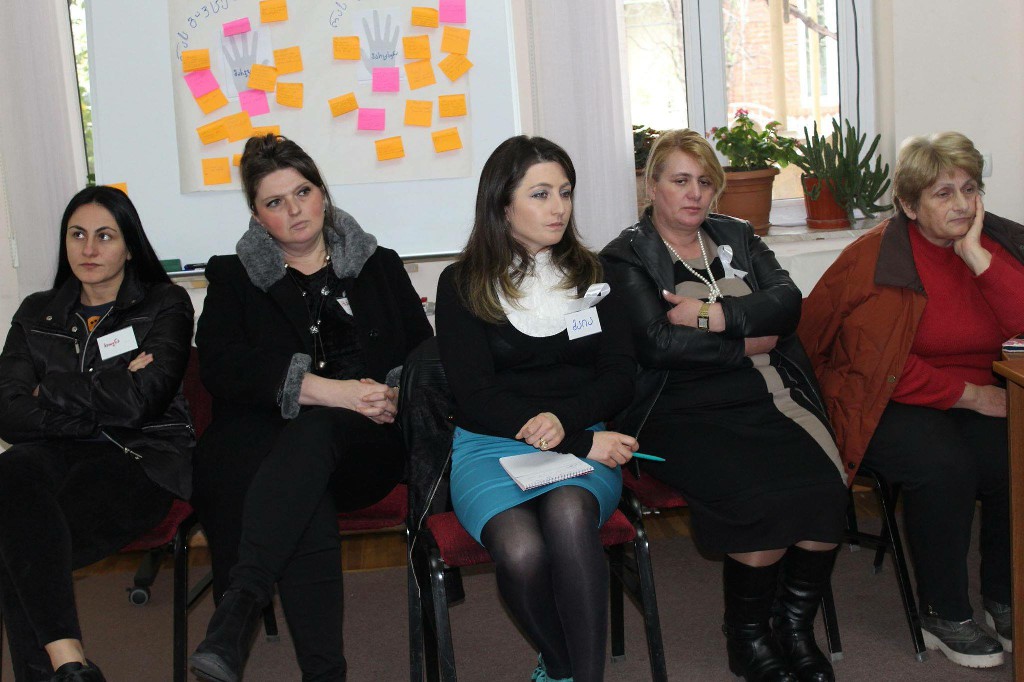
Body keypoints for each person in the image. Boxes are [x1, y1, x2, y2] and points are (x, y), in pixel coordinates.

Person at [600, 129, 848, 682]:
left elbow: (786, 304)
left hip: (765, 394)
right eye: (680, 180)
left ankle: (793, 627)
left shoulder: (737, 234)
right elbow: (657, 345)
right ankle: (748, 636)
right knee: (757, 494)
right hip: (674, 409)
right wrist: (747, 341)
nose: (695, 193)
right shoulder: (624, 256)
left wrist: (712, 317)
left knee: (825, 489)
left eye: (705, 182)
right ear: (652, 187)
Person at [189, 134, 432, 682]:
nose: (295, 210)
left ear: (323, 193)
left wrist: (392, 393)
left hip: (367, 445)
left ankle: (239, 606)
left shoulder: (379, 265)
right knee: (303, 487)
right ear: (257, 215)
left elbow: (424, 354)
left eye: (303, 192)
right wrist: (330, 391)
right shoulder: (233, 276)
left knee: (314, 444)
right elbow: (221, 367)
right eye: (275, 202)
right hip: (267, 445)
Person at [798, 131, 1024, 669]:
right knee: (944, 466)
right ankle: (944, 612)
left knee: (1013, 455)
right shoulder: (876, 258)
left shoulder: (996, 243)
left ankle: (1005, 595)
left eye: (970, 189)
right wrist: (971, 396)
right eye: (943, 193)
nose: (962, 204)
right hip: (885, 396)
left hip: (975, 391)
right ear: (909, 205)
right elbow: (876, 363)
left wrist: (977, 257)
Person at [435, 135, 637, 682]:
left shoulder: (597, 274)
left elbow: (620, 375)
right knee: (521, 552)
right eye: (541, 194)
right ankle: (561, 664)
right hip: (491, 446)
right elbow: (475, 395)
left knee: (570, 516)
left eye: (565, 192)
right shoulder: (461, 284)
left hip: (582, 439)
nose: (559, 208)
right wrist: (574, 439)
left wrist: (570, 427)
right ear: (503, 205)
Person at [0, 186, 195, 682]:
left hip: (141, 458)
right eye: (77, 235)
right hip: (52, 456)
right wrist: (112, 387)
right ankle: (70, 666)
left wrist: (48, 391)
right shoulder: (36, 312)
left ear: (129, 247)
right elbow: (8, 414)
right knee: (10, 469)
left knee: (13, 539)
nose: (88, 249)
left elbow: (143, 404)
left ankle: (62, 670)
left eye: (104, 236)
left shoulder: (166, 303)